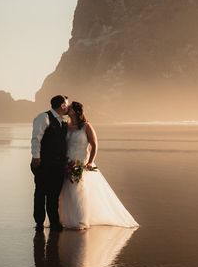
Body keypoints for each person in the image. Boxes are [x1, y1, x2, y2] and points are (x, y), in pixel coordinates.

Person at [59, 101, 139, 229]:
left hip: (81, 162)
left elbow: (95, 145)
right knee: (66, 191)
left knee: (79, 191)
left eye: (70, 107)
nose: (67, 108)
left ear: (76, 111)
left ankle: (80, 220)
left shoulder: (86, 126)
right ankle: (66, 220)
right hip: (67, 162)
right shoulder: (66, 126)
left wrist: (90, 162)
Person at [30, 94, 70, 232]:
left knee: (54, 195)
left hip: (58, 165)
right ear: (62, 105)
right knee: (41, 193)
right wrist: (36, 157)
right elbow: (36, 138)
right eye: (67, 104)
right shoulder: (44, 117)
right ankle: (39, 223)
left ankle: (54, 222)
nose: (68, 107)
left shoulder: (63, 121)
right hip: (43, 163)